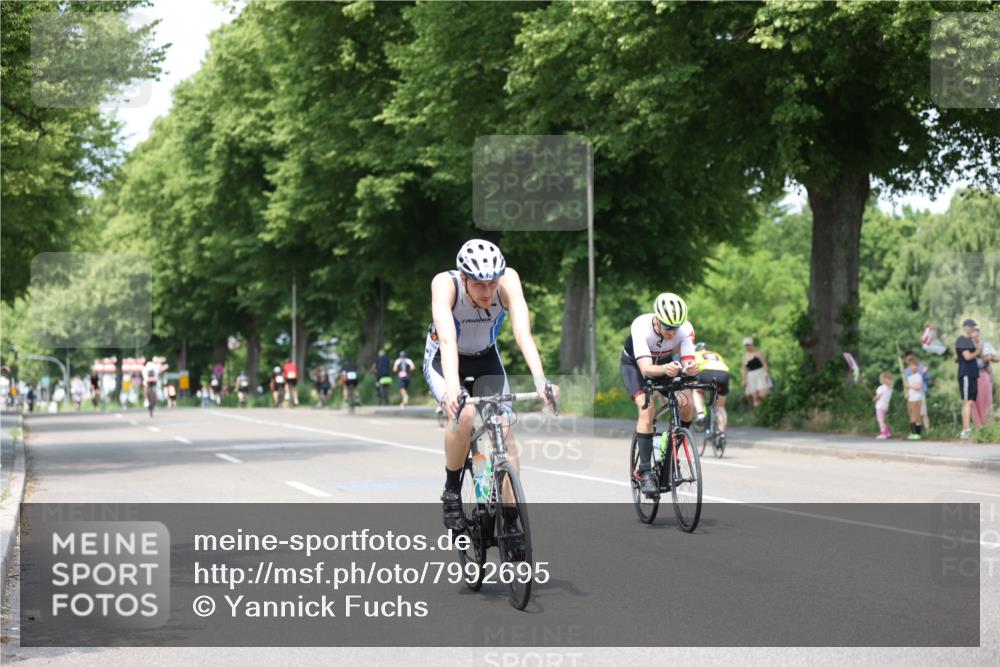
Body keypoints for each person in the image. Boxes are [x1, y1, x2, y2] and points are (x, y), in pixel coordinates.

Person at [426, 239, 557, 530]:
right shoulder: (445, 284)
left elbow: (523, 334)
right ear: (464, 279)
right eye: (479, 285)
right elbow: (447, 341)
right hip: (445, 359)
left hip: (486, 359)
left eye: (492, 284)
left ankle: (511, 519)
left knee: (505, 431)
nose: (488, 292)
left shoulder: (509, 280)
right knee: (466, 415)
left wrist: (540, 380)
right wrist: (453, 388)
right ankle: (451, 492)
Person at [621, 292, 697, 496]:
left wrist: (690, 368)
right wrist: (666, 370)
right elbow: (646, 369)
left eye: (676, 328)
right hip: (635, 367)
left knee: (687, 403)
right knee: (647, 410)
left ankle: (671, 453)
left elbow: (688, 359)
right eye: (668, 327)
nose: (673, 332)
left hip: (665, 364)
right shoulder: (640, 326)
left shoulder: (686, 329)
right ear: (657, 319)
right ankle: (645, 471)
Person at [691, 342, 730, 444]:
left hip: (706, 372)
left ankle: (700, 415)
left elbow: (691, 369)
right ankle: (721, 433)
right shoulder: (716, 354)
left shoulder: (696, 354)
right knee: (720, 406)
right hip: (723, 374)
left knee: (697, 391)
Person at [955, 319, 981, 439]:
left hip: (972, 374)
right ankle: (965, 430)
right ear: (965, 327)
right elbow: (967, 356)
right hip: (966, 374)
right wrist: (978, 351)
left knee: (970, 402)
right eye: (971, 327)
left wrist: (976, 345)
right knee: (967, 401)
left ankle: (967, 428)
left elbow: (957, 358)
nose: (972, 329)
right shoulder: (962, 340)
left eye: (974, 327)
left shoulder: (970, 342)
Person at [972, 325, 997, 427]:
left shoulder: (986, 344)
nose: (974, 334)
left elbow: (996, 357)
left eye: (976, 331)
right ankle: (978, 427)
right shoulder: (967, 345)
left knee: (985, 400)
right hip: (972, 375)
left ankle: (988, 426)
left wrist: (990, 357)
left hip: (983, 374)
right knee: (973, 402)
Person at [903, 351, 931, 430]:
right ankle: (915, 431)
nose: (909, 358)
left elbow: (926, 378)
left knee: (923, 413)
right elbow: (906, 383)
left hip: (920, 394)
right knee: (913, 414)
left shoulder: (920, 367)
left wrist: (924, 372)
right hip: (911, 395)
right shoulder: (906, 371)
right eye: (908, 357)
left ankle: (928, 430)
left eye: (911, 356)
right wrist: (905, 392)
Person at [742, 337, 771, 409]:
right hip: (751, 376)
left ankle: (766, 410)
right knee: (754, 396)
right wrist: (744, 380)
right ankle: (758, 413)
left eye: (748, 345)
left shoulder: (758, 353)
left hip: (760, 374)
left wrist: (766, 374)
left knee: (763, 394)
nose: (747, 346)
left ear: (752, 344)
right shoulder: (745, 356)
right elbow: (745, 369)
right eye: (746, 345)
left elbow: (764, 364)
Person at [905, 357, 924, 440]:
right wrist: (906, 392)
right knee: (911, 416)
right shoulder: (909, 377)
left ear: (917, 367)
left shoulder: (918, 376)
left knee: (916, 417)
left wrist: (909, 386)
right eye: (911, 366)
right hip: (910, 399)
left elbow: (918, 387)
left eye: (915, 366)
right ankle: (913, 432)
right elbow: (907, 388)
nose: (913, 367)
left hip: (916, 399)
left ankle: (917, 433)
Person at [873, 372, 893, 439]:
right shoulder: (889, 389)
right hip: (885, 406)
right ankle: (887, 433)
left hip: (879, 406)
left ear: (882, 379)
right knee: (883, 420)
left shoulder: (881, 388)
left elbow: (878, 396)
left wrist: (874, 399)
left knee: (880, 420)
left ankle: (883, 434)